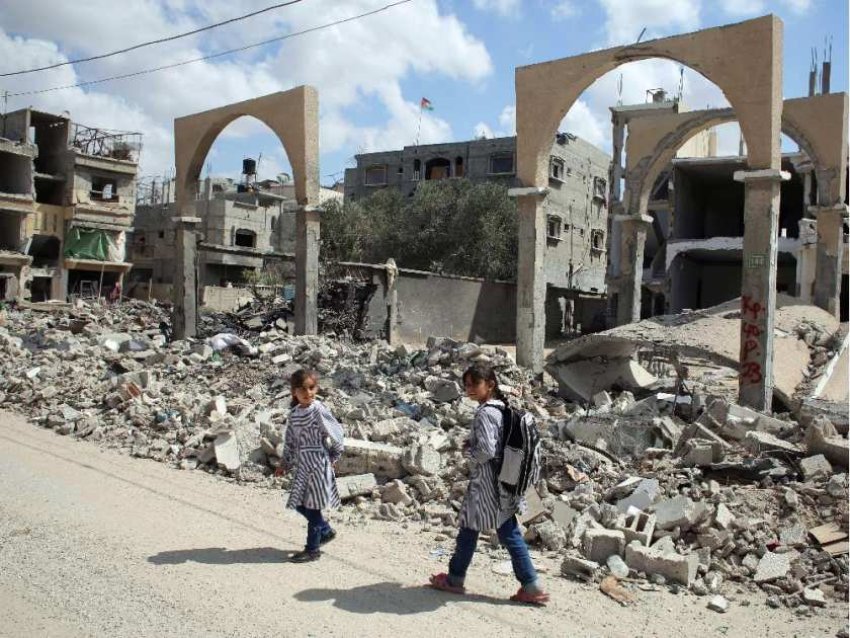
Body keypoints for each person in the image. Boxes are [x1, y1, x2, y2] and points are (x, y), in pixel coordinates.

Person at [429, 363, 550, 605]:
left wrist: (469, 455)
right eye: (467, 385)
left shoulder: (485, 413)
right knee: (470, 528)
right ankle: (456, 578)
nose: (469, 389)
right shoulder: (502, 409)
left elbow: (486, 450)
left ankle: (531, 585)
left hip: (487, 483)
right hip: (503, 480)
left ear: (490, 385)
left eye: (475, 384)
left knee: (506, 532)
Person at [282, 368, 344, 563]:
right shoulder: (294, 415)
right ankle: (324, 530)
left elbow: (336, 432)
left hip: (318, 463)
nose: (308, 393)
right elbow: (290, 441)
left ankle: (312, 549)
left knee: (313, 507)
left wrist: (333, 456)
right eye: (303, 389)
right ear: (294, 392)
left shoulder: (318, 409)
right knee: (299, 504)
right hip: (302, 465)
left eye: (311, 388)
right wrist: (284, 462)